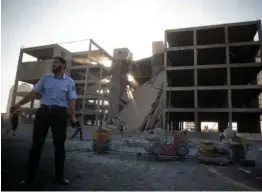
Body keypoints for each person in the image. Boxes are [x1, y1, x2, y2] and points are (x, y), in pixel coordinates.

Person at [10, 56, 77, 188]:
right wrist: (18, 105)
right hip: (44, 113)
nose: (53, 64)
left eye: (56, 63)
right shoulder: (45, 79)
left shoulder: (69, 82)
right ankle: (29, 178)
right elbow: (33, 94)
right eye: (52, 62)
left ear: (63, 65)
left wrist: (73, 116)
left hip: (59, 114)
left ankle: (59, 177)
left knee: (59, 147)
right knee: (36, 146)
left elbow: (71, 101)